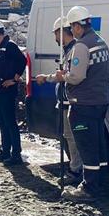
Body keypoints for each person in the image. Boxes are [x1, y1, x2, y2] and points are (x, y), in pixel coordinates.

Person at [56, 6, 109, 202]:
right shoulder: (101, 42)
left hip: (83, 104)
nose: (72, 30)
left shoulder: (82, 46)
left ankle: (89, 187)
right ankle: (100, 181)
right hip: (100, 101)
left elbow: (77, 77)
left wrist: (63, 77)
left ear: (78, 26)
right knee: (98, 145)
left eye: (72, 26)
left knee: (87, 147)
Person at [34, 16, 83, 186]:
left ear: (62, 32)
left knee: (72, 137)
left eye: (56, 34)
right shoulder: (67, 50)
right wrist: (49, 78)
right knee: (67, 137)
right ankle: (74, 167)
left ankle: (76, 170)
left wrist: (50, 78)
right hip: (64, 99)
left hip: (71, 101)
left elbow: (70, 76)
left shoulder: (75, 50)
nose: (55, 39)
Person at [0, 20, 27, 166]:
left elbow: (22, 61)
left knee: (10, 123)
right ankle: (5, 151)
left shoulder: (10, 46)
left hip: (7, 92)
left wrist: (14, 80)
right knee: (2, 123)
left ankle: (16, 154)